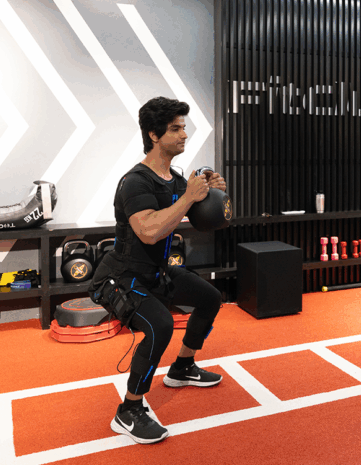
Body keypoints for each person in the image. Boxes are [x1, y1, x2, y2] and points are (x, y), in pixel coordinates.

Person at [89, 96, 227, 444]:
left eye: (184, 127)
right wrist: (187, 198)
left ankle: (181, 368)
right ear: (153, 134)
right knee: (160, 325)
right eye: (176, 128)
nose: (184, 134)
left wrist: (210, 193)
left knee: (210, 297)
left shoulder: (174, 179)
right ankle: (129, 410)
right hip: (119, 277)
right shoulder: (135, 182)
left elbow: (201, 216)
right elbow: (149, 230)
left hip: (156, 272)